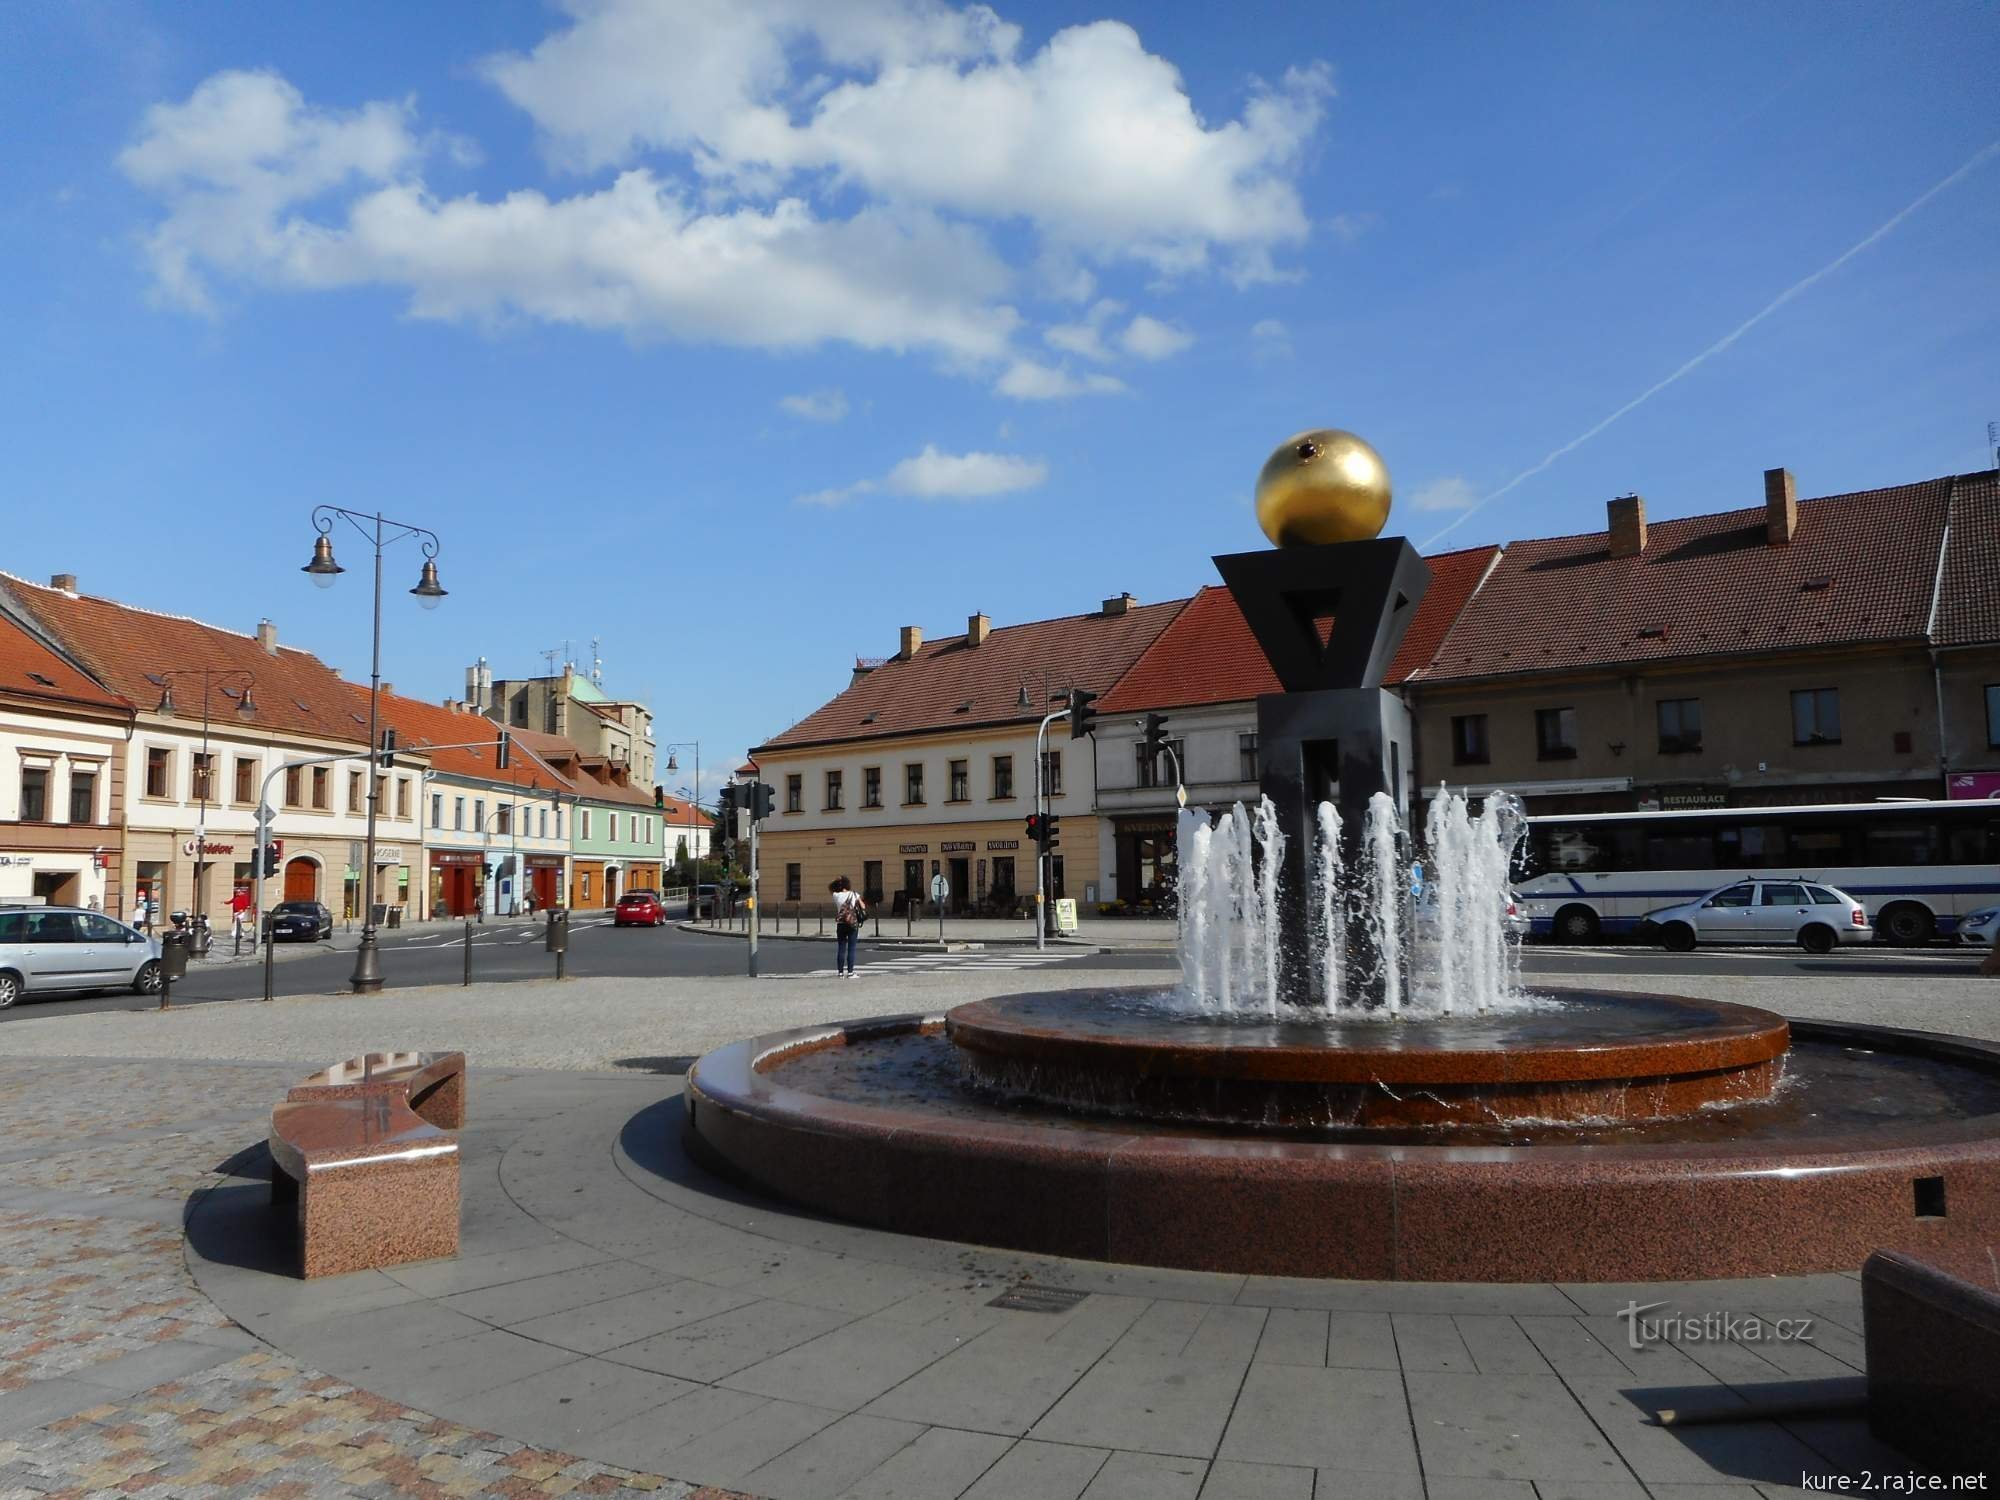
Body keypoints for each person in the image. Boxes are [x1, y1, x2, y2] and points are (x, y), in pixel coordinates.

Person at [831, 875, 865, 978]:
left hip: (841, 924)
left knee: (841, 948)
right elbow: (863, 906)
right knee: (851, 948)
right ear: (847, 884)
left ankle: (840, 973)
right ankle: (850, 972)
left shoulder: (835, 895)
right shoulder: (854, 894)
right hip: (852, 924)